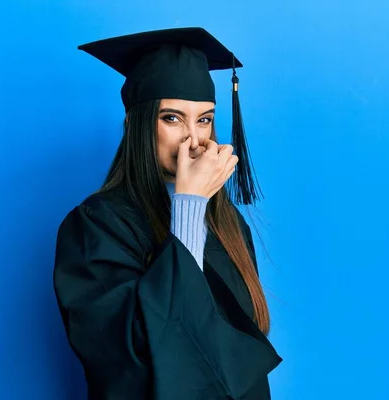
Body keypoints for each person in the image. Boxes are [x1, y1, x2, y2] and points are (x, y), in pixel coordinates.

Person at [53, 27, 282, 399]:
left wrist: (200, 206)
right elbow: (134, 353)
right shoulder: (96, 224)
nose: (193, 138)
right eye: (172, 118)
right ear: (135, 124)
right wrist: (188, 206)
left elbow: (238, 357)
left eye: (204, 119)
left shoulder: (227, 222)